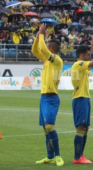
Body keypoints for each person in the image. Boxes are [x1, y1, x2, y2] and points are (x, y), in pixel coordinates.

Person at [31, 24, 64, 166]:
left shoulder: (57, 60)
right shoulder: (46, 60)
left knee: (50, 127)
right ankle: (50, 156)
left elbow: (42, 49)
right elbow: (35, 50)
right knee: (45, 128)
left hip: (51, 98)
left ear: (51, 49)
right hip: (43, 97)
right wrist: (38, 37)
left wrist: (43, 34)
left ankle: (58, 155)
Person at [71, 36, 93, 164]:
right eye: (88, 55)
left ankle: (80, 155)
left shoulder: (81, 67)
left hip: (84, 98)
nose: (90, 56)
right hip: (80, 98)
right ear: (82, 56)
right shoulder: (79, 64)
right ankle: (77, 157)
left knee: (85, 128)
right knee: (81, 127)